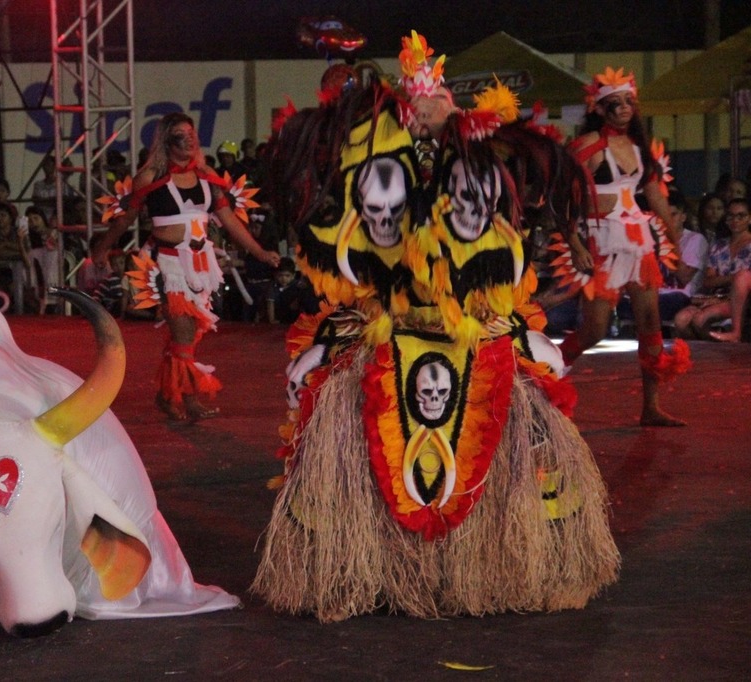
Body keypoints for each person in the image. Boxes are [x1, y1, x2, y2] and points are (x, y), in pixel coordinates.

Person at [253, 31, 618, 623]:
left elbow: (497, 271)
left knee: (531, 430)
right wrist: (322, 346)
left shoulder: (473, 177)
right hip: (386, 335)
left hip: (475, 335)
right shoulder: (375, 176)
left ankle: (498, 564)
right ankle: (370, 569)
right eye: (414, 111)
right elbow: (355, 273)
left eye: (435, 110)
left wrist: (526, 338)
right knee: (338, 427)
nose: (424, 123)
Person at [93, 112, 281, 421]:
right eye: (182, 135)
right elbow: (126, 218)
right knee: (182, 337)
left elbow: (229, 220)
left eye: (192, 134)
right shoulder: (150, 177)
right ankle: (190, 399)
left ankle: (166, 396)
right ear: (167, 141)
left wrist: (259, 252)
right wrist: (101, 249)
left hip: (201, 264)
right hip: (167, 265)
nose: (191, 140)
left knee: (189, 336)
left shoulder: (207, 176)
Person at [558, 67, 689, 427]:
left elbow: (656, 199)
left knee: (650, 322)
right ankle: (546, 375)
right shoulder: (586, 147)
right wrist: (574, 243)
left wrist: (676, 246)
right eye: (613, 103)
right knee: (595, 329)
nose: (622, 108)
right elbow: (562, 198)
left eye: (628, 101)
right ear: (598, 109)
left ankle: (651, 406)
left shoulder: (638, 148)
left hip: (638, 242)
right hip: (602, 242)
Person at [618, 187, 708, 326]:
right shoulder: (650, 237)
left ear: (683, 216)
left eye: (673, 215)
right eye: (662, 215)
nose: (667, 220)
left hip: (678, 295)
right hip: (651, 293)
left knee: (656, 305)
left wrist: (665, 244)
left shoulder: (695, 239)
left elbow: (684, 277)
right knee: (620, 301)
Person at [672, 197, 751, 342]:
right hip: (715, 296)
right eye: (731, 216)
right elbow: (708, 281)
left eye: (741, 215)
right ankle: (702, 356)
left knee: (700, 319)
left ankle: (731, 343)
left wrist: (734, 279)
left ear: (749, 218)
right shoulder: (719, 245)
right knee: (681, 320)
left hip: (742, 300)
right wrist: (731, 279)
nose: (735, 220)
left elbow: (744, 279)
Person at [24, 205, 60, 314]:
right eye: (29, 220)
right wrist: (22, 240)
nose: (33, 223)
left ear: (43, 218)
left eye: (36, 218)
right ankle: (37, 296)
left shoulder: (54, 232)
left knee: (51, 254)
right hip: (39, 273)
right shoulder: (29, 238)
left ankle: (52, 296)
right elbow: (26, 259)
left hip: (57, 269)